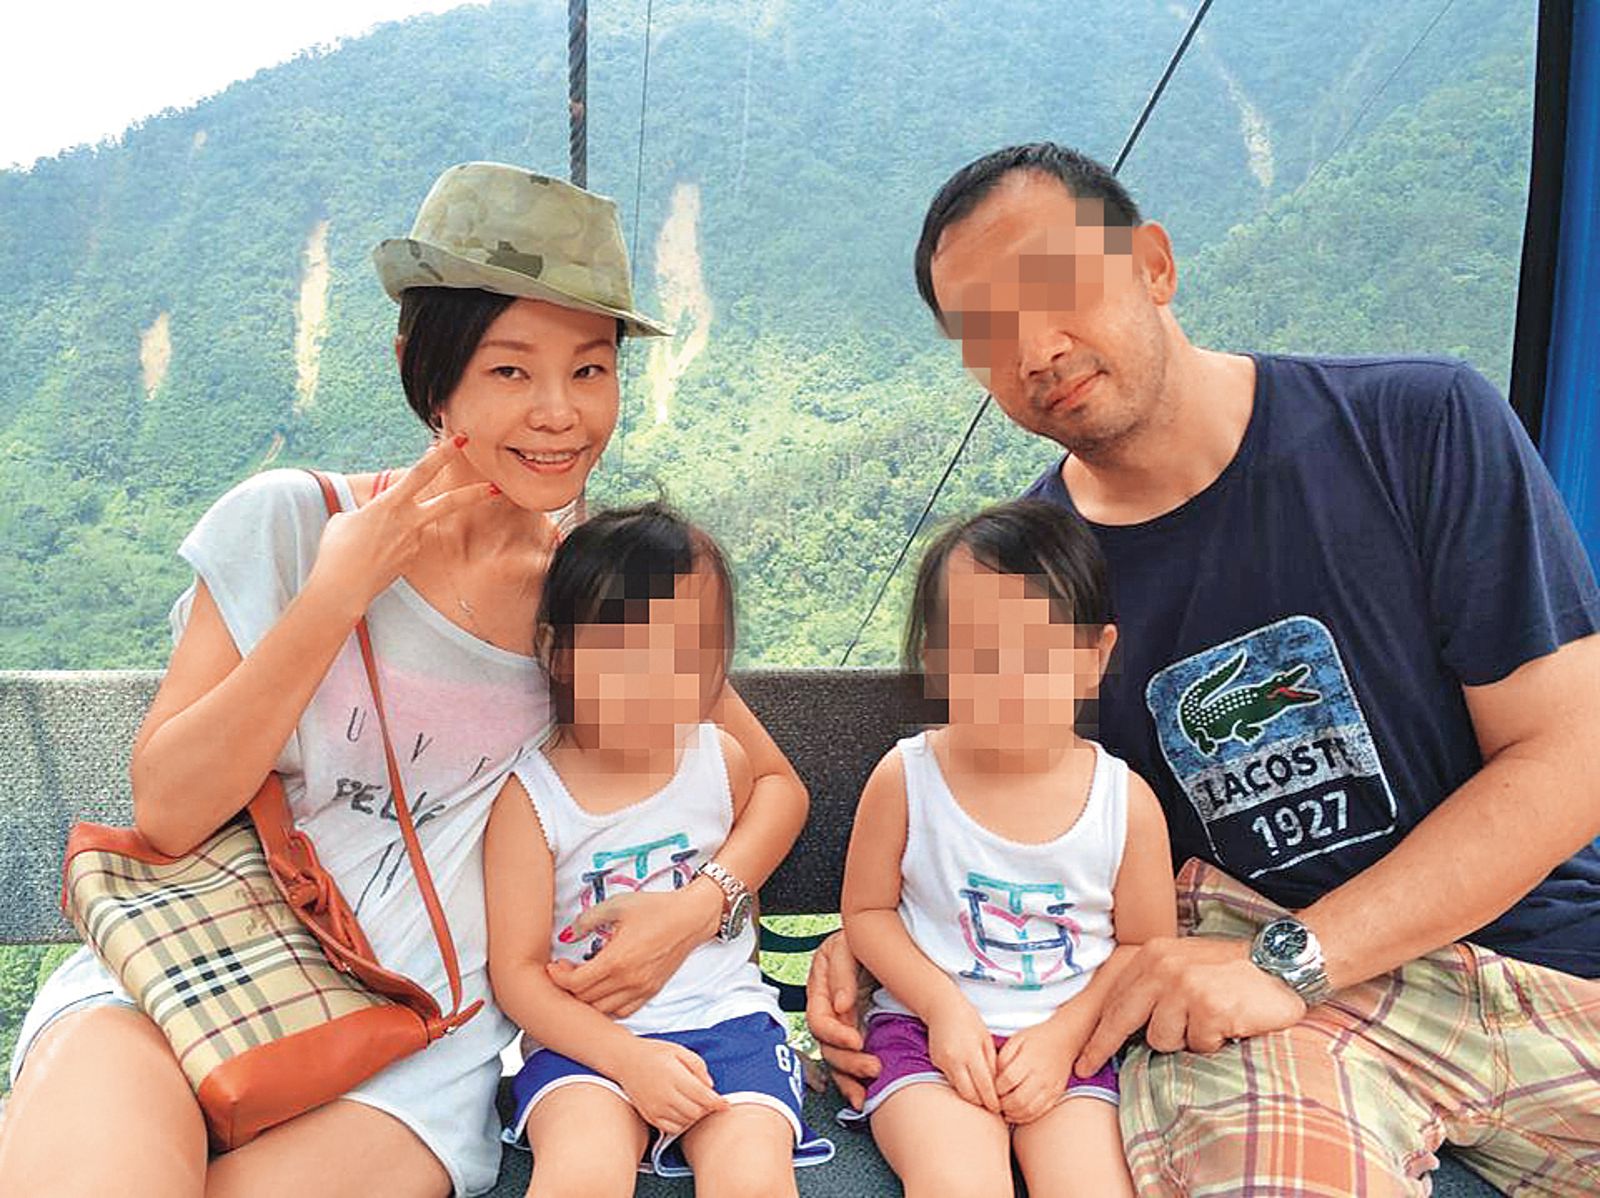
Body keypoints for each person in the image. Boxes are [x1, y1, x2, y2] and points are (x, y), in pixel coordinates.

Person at [0, 162, 808, 1198]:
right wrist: (335, 595)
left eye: (590, 370)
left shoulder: (596, 599)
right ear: (424, 369)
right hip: (190, 982)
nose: (559, 413)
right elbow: (168, 809)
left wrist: (698, 908)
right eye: (509, 370)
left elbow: (771, 782)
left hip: (421, 1046)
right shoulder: (291, 524)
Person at [808, 142, 1600, 1195]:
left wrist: (1303, 956)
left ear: (1153, 264)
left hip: (1543, 962)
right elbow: (1012, 802)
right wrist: (890, 943)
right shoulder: (1034, 583)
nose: (1034, 348)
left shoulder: (1418, 426)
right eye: (985, 333)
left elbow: (1571, 752)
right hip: (1261, 1017)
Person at [485, 502, 831, 1196]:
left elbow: (749, 893)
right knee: (581, 1169)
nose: (655, 680)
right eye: (621, 652)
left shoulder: (721, 761)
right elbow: (517, 974)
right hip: (585, 1042)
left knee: (751, 1172)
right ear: (558, 652)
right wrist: (626, 1058)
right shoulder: (533, 801)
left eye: (687, 653)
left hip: (727, 1024)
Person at [838, 500, 1174, 1198]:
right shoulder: (908, 778)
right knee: (956, 1181)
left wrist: (1065, 1036)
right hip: (923, 1038)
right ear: (935, 661)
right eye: (977, 655)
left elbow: (1145, 947)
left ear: (1094, 657)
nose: (1009, 682)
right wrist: (942, 1007)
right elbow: (867, 913)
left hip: (1072, 1047)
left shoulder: (1123, 802)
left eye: (1039, 654)